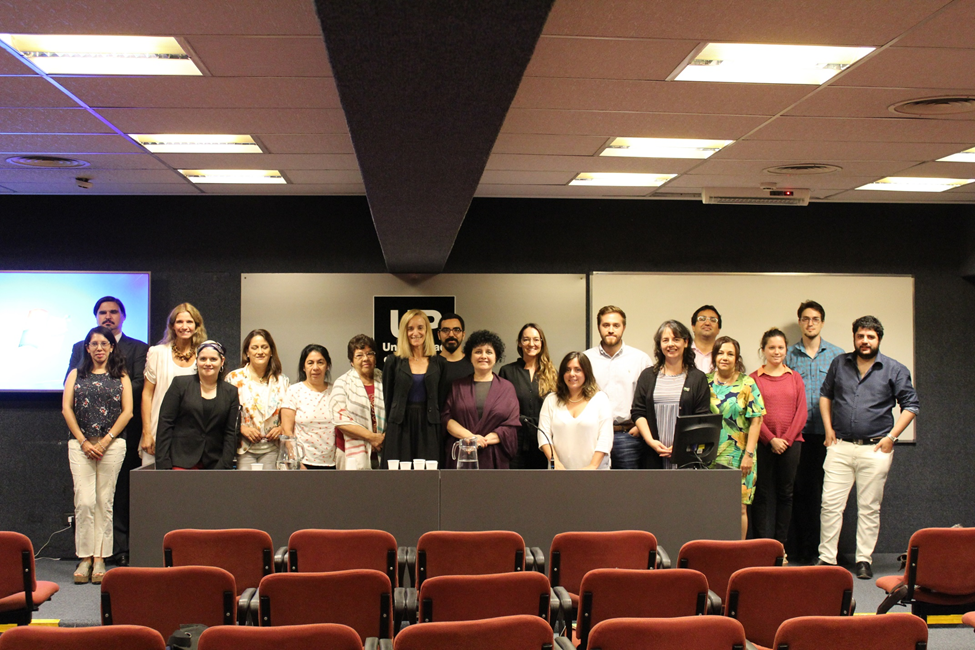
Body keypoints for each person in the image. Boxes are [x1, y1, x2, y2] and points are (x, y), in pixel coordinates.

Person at [818, 316, 919, 580]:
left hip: (875, 449)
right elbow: (826, 395)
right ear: (854, 337)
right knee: (830, 505)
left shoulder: (894, 369)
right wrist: (828, 429)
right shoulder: (839, 363)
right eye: (861, 336)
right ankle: (827, 558)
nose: (865, 341)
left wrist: (892, 437)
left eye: (870, 337)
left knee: (869, 507)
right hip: (840, 446)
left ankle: (864, 559)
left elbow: (911, 406)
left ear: (878, 339)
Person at [65, 296, 147, 566]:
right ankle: (87, 556)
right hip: (84, 438)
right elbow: (69, 394)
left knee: (113, 498)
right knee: (86, 501)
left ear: (123, 316)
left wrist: (111, 396)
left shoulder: (136, 349)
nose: (108, 316)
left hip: (121, 434)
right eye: (102, 312)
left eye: (113, 312)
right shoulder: (80, 349)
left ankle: (114, 551)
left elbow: (137, 386)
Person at [62, 326, 133, 584]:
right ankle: (85, 557)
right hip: (80, 446)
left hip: (111, 446)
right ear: (87, 348)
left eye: (104, 343)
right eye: (94, 344)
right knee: (84, 502)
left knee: (105, 501)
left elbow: (128, 412)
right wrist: (83, 441)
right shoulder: (75, 374)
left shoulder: (121, 375)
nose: (99, 348)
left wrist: (105, 442)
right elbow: (66, 409)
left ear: (112, 347)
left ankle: (101, 558)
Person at [785, 300, 846, 564]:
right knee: (798, 492)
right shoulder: (787, 354)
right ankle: (799, 550)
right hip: (796, 435)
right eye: (806, 318)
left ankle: (823, 552)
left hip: (827, 435)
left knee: (826, 495)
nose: (811, 323)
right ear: (800, 321)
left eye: (816, 319)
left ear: (822, 322)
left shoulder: (837, 354)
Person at [749, 328, 807, 554]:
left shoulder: (795, 378)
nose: (776, 352)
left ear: (786, 349)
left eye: (780, 347)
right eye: (771, 348)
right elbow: (753, 414)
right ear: (763, 350)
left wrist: (786, 439)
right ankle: (762, 548)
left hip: (791, 444)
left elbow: (801, 412)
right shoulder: (754, 379)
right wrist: (771, 439)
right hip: (763, 444)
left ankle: (780, 548)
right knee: (761, 495)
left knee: (786, 494)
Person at [632, 320, 713, 469]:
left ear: (686, 342)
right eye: (665, 340)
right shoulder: (647, 376)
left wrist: (681, 445)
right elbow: (638, 412)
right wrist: (651, 441)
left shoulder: (697, 378)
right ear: (659, 344)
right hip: (652, 454)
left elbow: (702, 417)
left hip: (687, 456)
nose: (671, 344)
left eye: (676, 339)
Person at [708, 336, 765, 540]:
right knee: (712, 507)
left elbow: (756, 421)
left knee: (739, 508)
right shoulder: (704, 382)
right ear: (714, 356)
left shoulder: (747, 383)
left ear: (736, 358)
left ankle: (738, 552)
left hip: (740, 456)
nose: (725, 357)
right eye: (721, 353)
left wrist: (748, 455)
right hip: (710, 456)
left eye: (730, 354)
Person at [155, 340, 239, 471]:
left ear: (221, 362)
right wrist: (163, 463)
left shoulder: (231, 392)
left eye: (213, 359)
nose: (208, 363)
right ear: (197, 361)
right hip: (180, 461)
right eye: (203, 358)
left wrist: (224, 465)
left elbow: (230, 432)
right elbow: (165, 424)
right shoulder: (180, 384)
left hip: (215, 464)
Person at [584, 305, 651, 469]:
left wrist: (640, 426)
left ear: (624, 327)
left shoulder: (640, 359)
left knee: (628, 490)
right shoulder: (585, 359)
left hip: (627, 435)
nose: (611, 330)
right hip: (593, 436)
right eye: (605, 325)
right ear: (599, 327)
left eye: (616, 325)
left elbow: (650, 398)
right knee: (593, 488)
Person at [442, 330, 521, 469]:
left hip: (495, 458)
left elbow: (511, 426)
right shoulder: (457, 386)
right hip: (463, 455)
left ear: (496, 356)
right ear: (470, 356)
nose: (483, 356)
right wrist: (471, 438)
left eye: (489, 352)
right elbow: (447, 419)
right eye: (478, 351)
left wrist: (482, 441)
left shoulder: (507, 388)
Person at [140, 303, 206, 466]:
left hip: (193, 433)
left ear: (197, 326)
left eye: (189, 322)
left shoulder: (205, 354)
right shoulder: (158, 353)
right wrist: (147, 433)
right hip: (159, 431)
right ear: (172, 325)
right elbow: (147, 395)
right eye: (179, 322)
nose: (185, 327)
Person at [382, 309, 447, 465]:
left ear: (427, 331)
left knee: (429, 478)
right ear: (404, 332)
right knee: (398, 478)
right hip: (399, 427)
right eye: (410, 328)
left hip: (429, 427)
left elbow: (441, 399)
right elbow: (388, 398)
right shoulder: (393, 362)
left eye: (420, 327)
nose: (415, 333)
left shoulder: (440, 363)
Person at [225, 329, 290, 470]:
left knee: (270, 489)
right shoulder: (234, 378)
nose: (260, 352)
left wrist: (280, 428)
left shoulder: (282, 381)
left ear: (271, 351)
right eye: (254, 348)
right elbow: (224, 414)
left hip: (273, 449)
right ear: (247, 352)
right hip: (244, 448)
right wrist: (241, 429)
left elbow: (289, 415)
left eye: (264, 347)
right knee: (245, 489)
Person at [538, 352, 613, 470]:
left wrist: (592, 466)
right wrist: (555, 463)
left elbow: (606, 437)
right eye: (567, 370)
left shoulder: (600, 399)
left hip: (595, 472)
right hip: (559, 473)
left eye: (578, 369)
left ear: (586, 372)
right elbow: (543, 436)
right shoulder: (551, 400)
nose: (572, 374)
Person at [498, 323, 557, 469]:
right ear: (519, 342)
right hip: (515, 440)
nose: (531, 344)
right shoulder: (507, 372)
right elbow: (501, 409)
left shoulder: (552, 373)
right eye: (526, 339)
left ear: (542, 343)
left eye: (536, 339)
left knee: (540, 487)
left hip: (543, 441)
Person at [329, 335, 386, 470]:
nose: (365, 358)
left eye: (369, 354)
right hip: (350, 455)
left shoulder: (386, 380)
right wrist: (372, 437)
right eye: (359, 355)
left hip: (383, 449)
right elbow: (340, 420)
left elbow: (397, 413)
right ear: (352, 362)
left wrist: (383, 439)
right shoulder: (342, 384)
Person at [281, 344, 336, 470]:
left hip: (332, 464)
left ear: (327, 366)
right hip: (303, 463)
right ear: (303, 367)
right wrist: (296, 462)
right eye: (310, 363)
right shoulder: (294, 391)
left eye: (320, 362)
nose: (315, 367)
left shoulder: (336, 391)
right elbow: (286, 431)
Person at [438, 312, 475, 385]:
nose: (451, 334)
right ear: (439, 335)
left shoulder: (474, 364)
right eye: (445, 330)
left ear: (463, 335)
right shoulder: (430, 365)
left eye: (456, 330)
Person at [691, 305, 722, 373]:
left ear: (718, 329)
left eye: (713, 320)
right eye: (702, 319)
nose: (707, 323)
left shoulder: (725, 355)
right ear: (693, 326)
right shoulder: (682, 352)